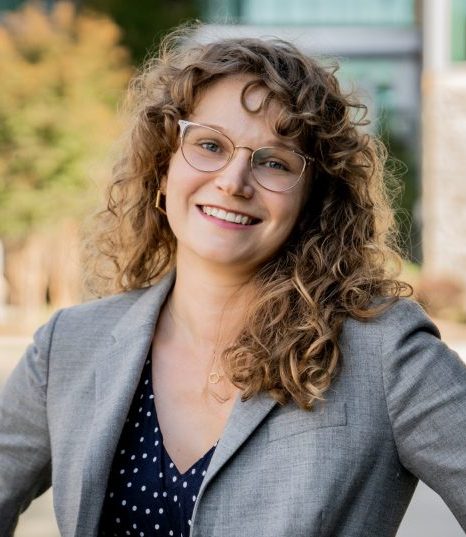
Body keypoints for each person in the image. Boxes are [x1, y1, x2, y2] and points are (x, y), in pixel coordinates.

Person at [1, 26, 466, 537]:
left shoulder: (384, 355)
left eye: (274, 162)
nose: (233, 182)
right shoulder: (68, 347)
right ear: (163, 169)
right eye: (208, 145)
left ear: (313, 199)